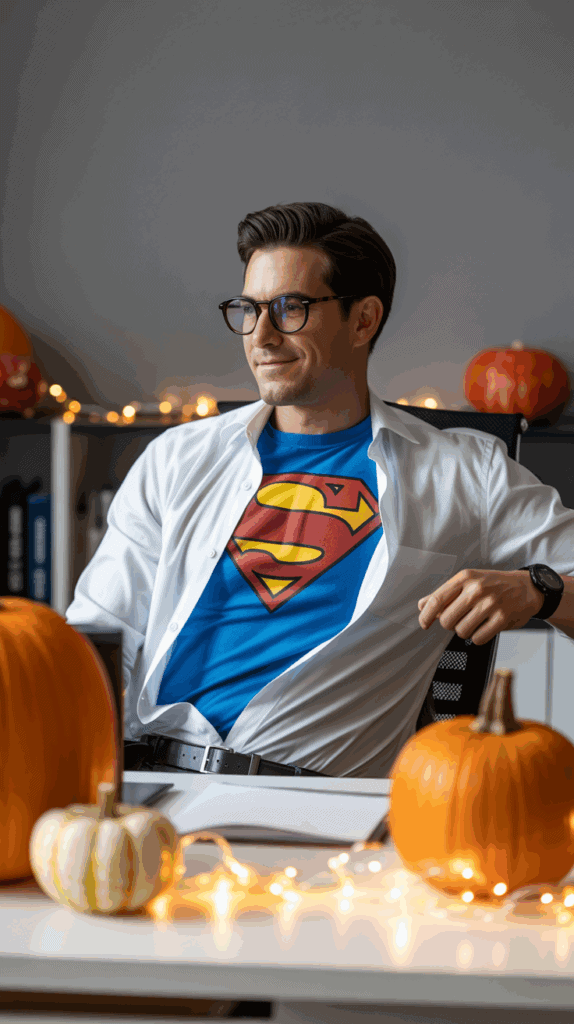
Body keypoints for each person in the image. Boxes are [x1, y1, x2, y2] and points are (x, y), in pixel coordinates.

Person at [65, 201, 574, 778]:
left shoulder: (463, 473)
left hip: (322, 813)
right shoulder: (178, 460)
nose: (261, 336)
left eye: (291, 308)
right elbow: (98, 640)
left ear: (363, 320)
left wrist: (541, 589)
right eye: (249, 309)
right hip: (149, 781)